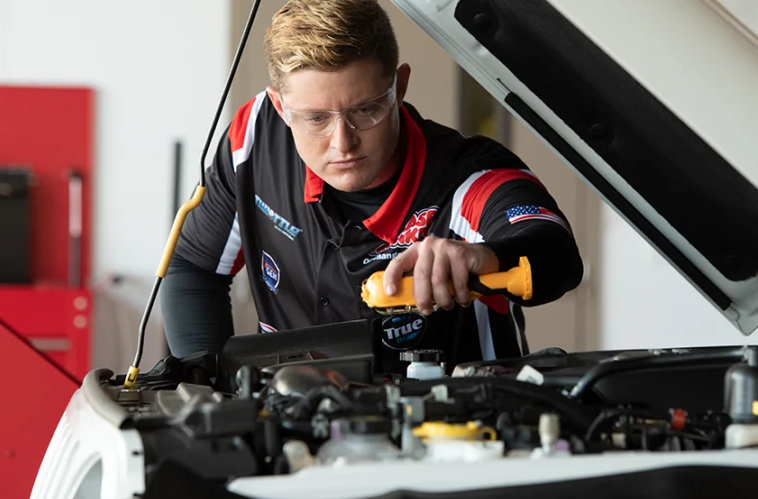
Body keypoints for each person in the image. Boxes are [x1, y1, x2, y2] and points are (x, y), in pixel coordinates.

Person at [161, 0, 584, 372]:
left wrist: (483, 256)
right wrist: (212, 393)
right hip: (291, 429)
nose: (342, 142)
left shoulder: (466, 177)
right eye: (316, 119)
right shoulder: (254, 136)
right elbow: (193, 268)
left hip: (456, 440)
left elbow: (557, 256)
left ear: (399, 86)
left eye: (365, 109)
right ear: (280, 107)